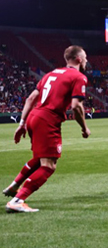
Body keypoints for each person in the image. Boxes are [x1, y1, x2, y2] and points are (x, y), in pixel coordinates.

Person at [4, 46, 91, 213]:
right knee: (49, 165)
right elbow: (76, 106)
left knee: (39, 158)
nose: (86, 60)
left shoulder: (51, 73)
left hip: (34, 117)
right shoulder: (79, 77)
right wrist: (84, 128)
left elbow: (31, 98)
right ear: (79, 59)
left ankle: (14, 185)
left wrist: (21, 123)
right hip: (48, 120)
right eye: (85, 57)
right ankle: (17, 200)